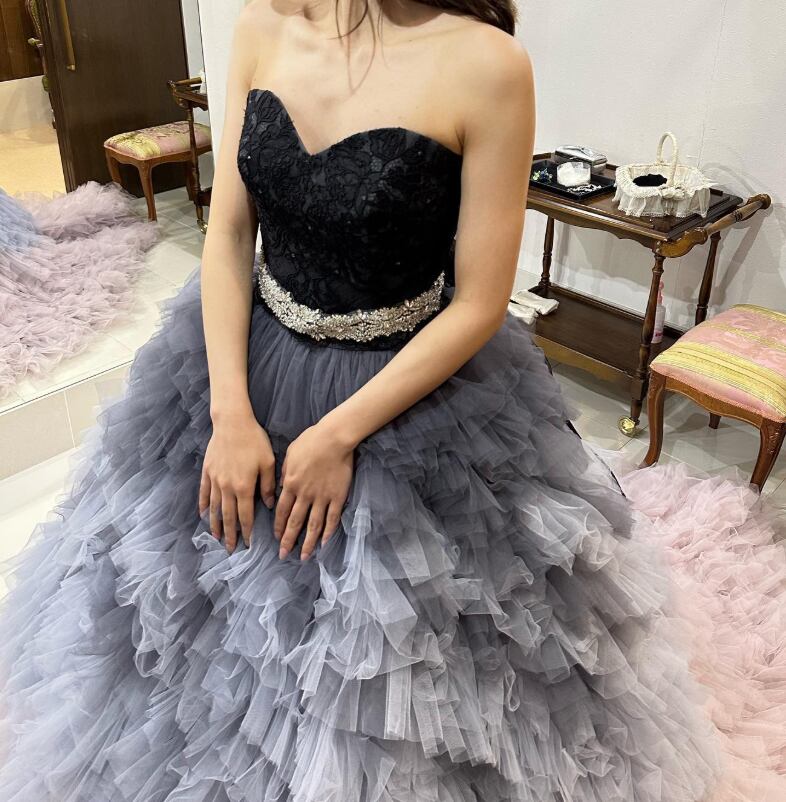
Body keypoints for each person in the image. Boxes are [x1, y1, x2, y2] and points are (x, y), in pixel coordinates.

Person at [4, 0, 779, 799]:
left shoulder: (485, 64)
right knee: (185, 607)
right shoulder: (263, 27)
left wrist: (338, 434)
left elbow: (480, 302)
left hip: (409, 387)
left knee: (405, 648)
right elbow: (230, 234)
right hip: (247, 361)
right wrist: (230, 414)